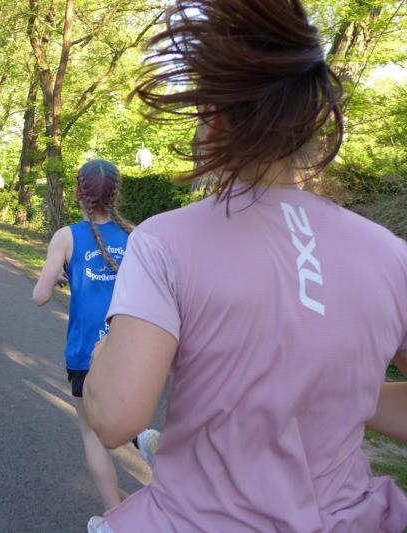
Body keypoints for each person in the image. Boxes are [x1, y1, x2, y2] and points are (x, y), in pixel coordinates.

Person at [82, 1, 407, 532]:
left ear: (214, 115)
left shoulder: (165, 240)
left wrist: (100, 363)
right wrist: (330, 391)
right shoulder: (391, 254)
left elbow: (117, 418)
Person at [32, 160, 132, 512]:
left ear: (77, 193)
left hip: (85, 353)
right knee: (131, 423)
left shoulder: (66, 237)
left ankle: (113, 515)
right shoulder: (136, 237)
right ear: (117, 194)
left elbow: (40, 296)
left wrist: (58, 273)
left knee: (92, 433)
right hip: (132, 352)